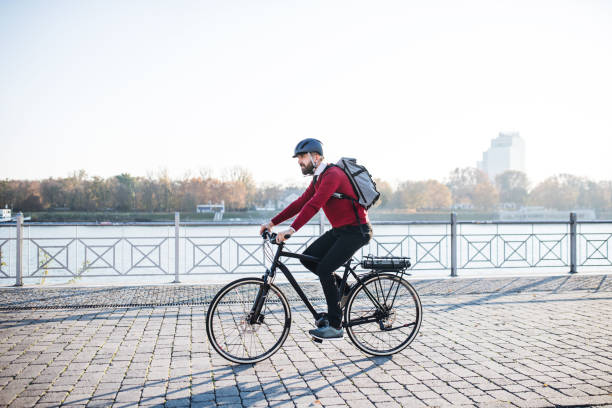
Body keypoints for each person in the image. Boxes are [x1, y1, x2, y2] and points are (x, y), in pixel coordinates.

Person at [259, 138, 373, 340]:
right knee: (307, 257)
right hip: (340, 230)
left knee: (324, 269)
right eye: (298, 158)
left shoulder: (332, 175)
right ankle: (344, 289)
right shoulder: (319, 178)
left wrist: (291, 230)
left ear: (316, 157)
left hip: (357, 231)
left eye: (302, 157)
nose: (299, 162)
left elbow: (315, 205)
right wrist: (272, 223)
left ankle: (336, 325)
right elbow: (302, 203)